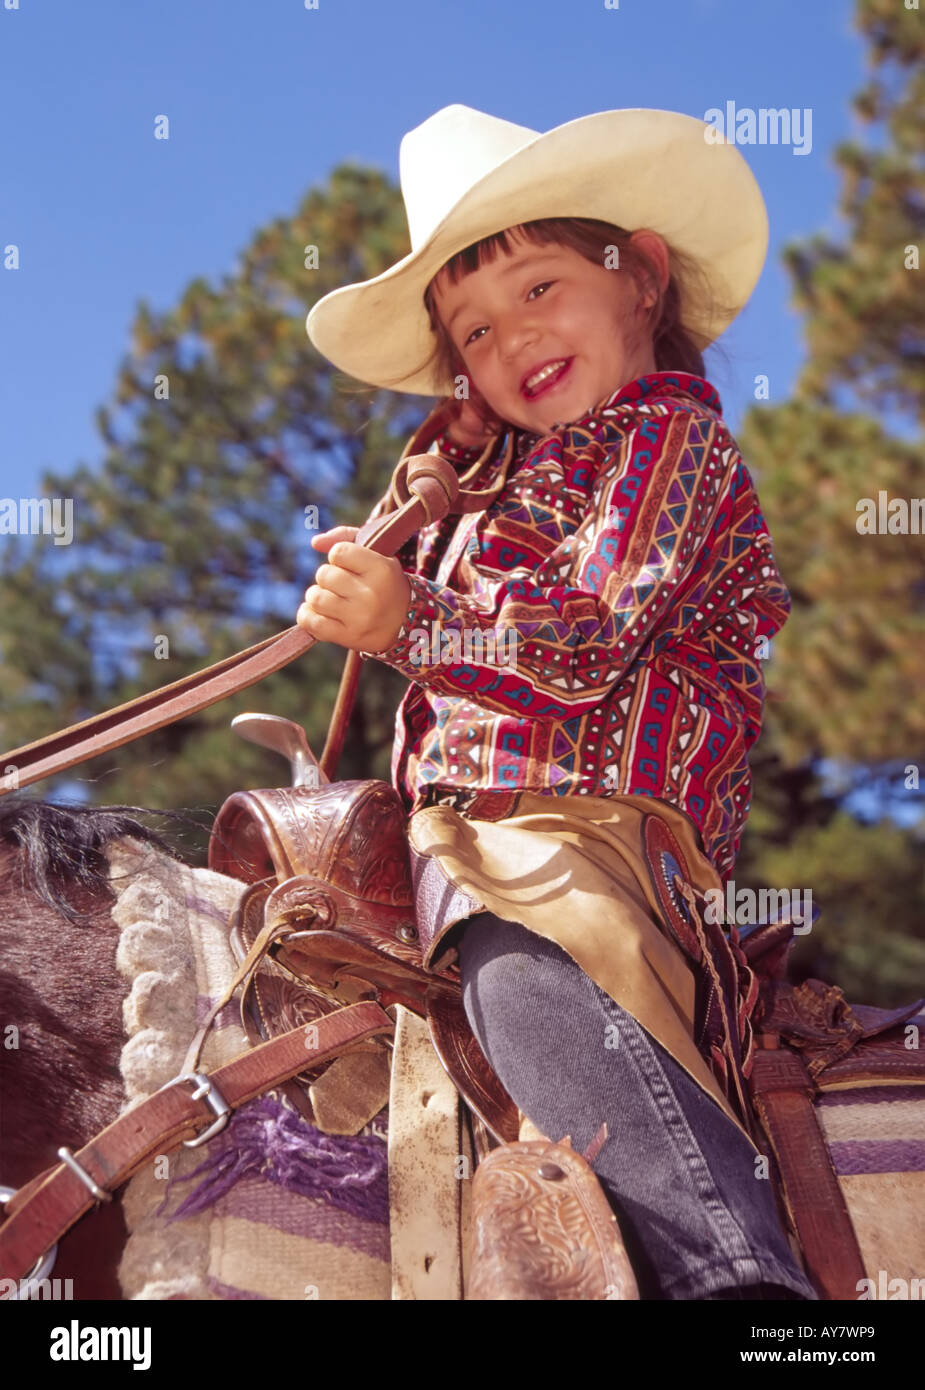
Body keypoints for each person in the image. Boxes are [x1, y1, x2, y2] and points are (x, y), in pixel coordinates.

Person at [298, 103, 817, 1301]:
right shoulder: (495, 499)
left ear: (638, 275)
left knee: (515, 962)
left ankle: (732, 1275)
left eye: (538, 289)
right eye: (472, 333)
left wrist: (409, 623)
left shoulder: (669, 444)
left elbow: (585, 644)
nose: (509, 338)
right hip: (464, 842)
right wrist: (437, 483)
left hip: (595, 844)